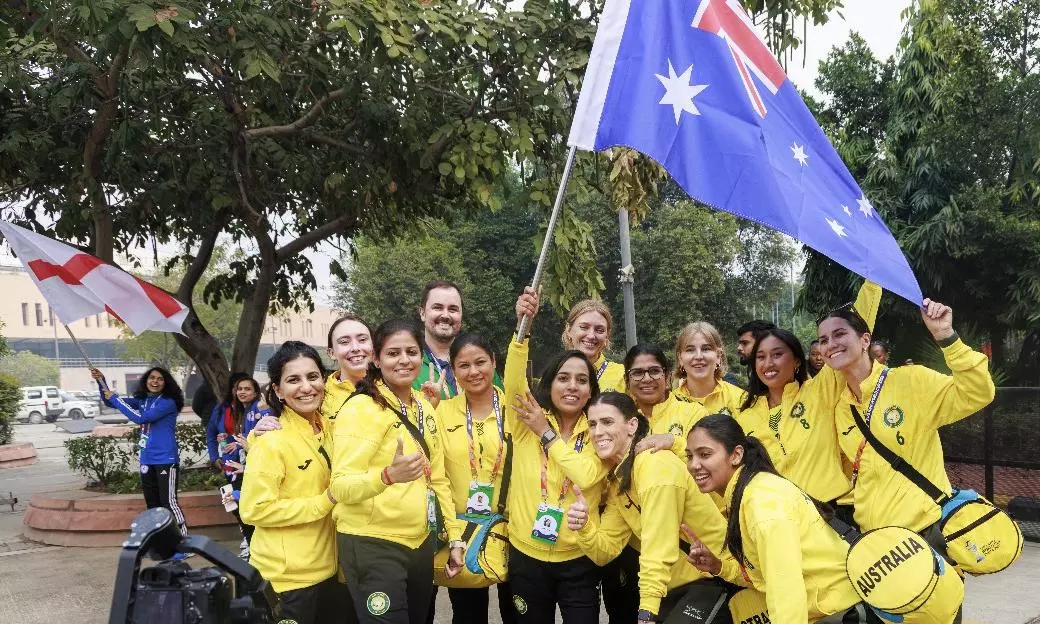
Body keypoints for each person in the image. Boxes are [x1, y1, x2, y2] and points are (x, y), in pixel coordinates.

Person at [685, 413, 963, 624]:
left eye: (705, 454)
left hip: (845, 612)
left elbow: (787, 592)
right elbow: (768, 576)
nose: (694, 465)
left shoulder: (761, 503)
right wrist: (719, 566)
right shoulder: (752, 490)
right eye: (690, 456)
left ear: (736, 455)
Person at [818, 298, 995, 535]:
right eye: (823, 340)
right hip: (875, 538)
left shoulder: (911, 381)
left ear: (865, 340)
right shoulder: (841, 407)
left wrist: (946, 336)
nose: (831, 344)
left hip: (925, 533)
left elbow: (978, 393)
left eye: (839, 334)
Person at [565, 393, 740, 623]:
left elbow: (658, 548)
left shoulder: (655, 465)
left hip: (721, 581)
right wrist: (584, 526)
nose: (598, 432)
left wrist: (646, 612)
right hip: (680, 590)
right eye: (592, 424)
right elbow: (605, 551)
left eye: (607, 422)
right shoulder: (620, 480)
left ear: (632, 425)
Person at [332, 319, 465, 624]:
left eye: (411, 352)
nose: (404, 360)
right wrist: (387, 476)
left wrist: (455, 539)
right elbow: (340, 487)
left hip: (420, 543)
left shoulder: (424, 407)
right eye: (393, 353)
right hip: (373, 544)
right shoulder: (360, 409)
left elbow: (439, 479)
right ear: (376, 359)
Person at [506, 287, 609, 624]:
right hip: (526, 555)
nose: (572, 386)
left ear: (591, 391)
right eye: (563, 378)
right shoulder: (527, 419)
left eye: (582, 381)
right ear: (549, 384)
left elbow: (588, 475)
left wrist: (546, 435)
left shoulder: (599, 429)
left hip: (577, 558)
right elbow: (513, 380)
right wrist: (523, 329)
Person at [736, 281, 880, 512]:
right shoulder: (744, 415)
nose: (768, 363)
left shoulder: (819, 391)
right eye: (760, 357)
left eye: (777, 354)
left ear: (795, 362)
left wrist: (872, 280)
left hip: (833, 512)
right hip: (783, 521)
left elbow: (855, 326)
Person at [238, 341, 353, 624]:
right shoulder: (272, 442)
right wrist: (323, 502)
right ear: (277, 390)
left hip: (331, 571)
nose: (306, 387)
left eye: (313, 377)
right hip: (288, 582)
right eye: (293, 380)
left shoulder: (330, 429)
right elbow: (254, 510)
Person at [600, 344, 710, 623]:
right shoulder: (617, 417)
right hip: (632, 541)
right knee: (623, 612)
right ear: (626, 380)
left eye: (653, 371)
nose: (646, 379)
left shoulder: (691, 413)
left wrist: (675, 443)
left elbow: (714, 459)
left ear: (668, 374)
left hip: (686, 543)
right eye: (637, 373)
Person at [430, 332, 515, 624]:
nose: (474, 371)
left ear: (494, 362)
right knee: (468, 616)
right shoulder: (441, 413)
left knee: (517, 613)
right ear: (453, 371)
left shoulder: (515, 412)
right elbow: (437, 476)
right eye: (463, 365)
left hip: (512, 529)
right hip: (464, 532)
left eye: (481, 362)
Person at [92, 366, 188, 542]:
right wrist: (102, 382)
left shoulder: (168, 402)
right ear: (146, 380)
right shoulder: (143, 400)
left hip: (165, 459)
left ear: (166, 383)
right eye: (152, 378)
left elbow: (141, 418)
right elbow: (110, 402)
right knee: (152, 505)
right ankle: (162, 543)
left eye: (160, 379)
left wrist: (115, 398)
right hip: (147, 459)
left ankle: (183, 543)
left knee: (168, 503)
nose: (155, 381)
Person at [208, 373, 267, 558]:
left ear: (256, 392)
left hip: (250, 468)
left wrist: (246, 458)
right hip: (233, 465)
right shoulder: (237, 409)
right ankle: (251, 545)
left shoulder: (258, 408)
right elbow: (242, 435)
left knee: (245, 505)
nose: (242, 392)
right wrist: (227, 439)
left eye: (247, 389)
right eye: (239, 389)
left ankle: (256, 549)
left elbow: (264, 437)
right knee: (236, 505)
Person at [413, 280, 503, 398]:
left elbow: (504, 406)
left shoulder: (480, 362)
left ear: (461, 315)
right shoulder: (409, 365)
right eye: (438, 308)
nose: (445, 315)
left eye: (453, 309)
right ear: (423, 313)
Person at [673, 321, 745, 415]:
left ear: (718, 356)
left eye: (706, 349)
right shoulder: (668, 404)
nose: (698, 356)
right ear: (680, 358)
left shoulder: (742, 401)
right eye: (690, 350)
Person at [561, 298, 625, 392]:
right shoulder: (555, 374)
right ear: (569, 329)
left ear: (607, 335)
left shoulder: (623, 375)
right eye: (584, 327)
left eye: (599, 330)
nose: (591, 336)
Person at [324, 314, 375, 428]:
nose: (355, 348)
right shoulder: (320, 396)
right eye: (344, 342)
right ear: (331, 353)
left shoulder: (392, 388)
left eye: (362, 340)